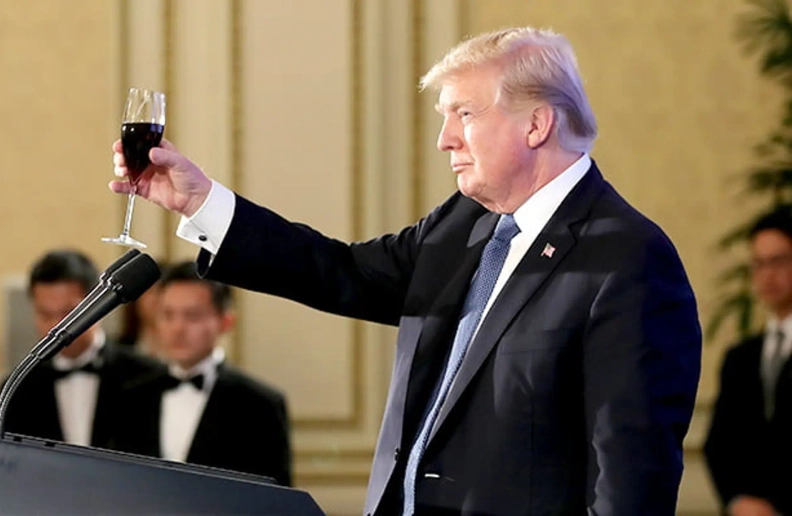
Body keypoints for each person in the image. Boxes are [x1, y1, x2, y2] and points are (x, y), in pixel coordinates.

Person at [110, 27, 701, 515]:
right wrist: (201, 202)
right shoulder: (463, 224)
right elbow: (341, 271)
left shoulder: (627, 258)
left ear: (537, 124)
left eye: (464, 114)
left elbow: (630, 482)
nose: (445, 140)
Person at [108, 261, 291, 485]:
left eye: (192, 316)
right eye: (167, 315)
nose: (177, 328)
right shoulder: (130, 398)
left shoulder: (261, 405)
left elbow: (276, 495)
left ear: (225, 322)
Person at [0, 250, 162, 448]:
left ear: (98, 306)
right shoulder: (18, 387)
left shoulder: (146, 375)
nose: (57, 326)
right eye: (45, 314)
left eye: (68, 313)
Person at [704, 206, 792, 516]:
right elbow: (719, 444)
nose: (768, 274)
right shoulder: (740, 357)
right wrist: (738, 500)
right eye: (759, 263)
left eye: (778, 261)